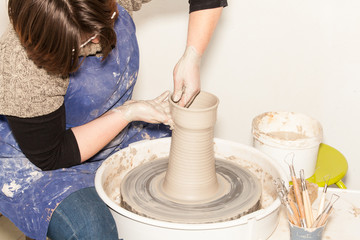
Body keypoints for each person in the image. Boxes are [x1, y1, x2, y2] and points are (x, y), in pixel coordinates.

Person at [0, 0, 227, 239]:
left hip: (114, 132)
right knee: (93, 230)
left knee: (192, 156)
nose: (100, 41)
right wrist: (126, 113)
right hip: (37, 159)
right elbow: (53, 154)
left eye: (107, 21)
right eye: (86, 41)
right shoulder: (20, 66)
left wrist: (193, 55)